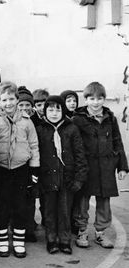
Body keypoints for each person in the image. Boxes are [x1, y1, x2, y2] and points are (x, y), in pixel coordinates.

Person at [72, 82, 128, 249]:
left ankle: (100, 233)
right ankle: (82, 231)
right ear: (86, 99)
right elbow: (73, 144)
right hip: (86, 167)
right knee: (82, 200)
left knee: (104, 201)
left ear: (104, 99)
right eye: (92, 98)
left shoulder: (111, 119)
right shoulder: (77, 119)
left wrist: (122, 167)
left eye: (99, 98)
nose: (96, 102)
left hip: (105, 167)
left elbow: (117, 142)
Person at [0, 81, 39, 258]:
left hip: (21, 169)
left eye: (11, 99)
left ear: (17, 99)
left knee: (20, 205)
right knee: (1, 205)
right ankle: (2, 240)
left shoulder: (26, 121)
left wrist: (34, 169)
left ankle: (18, 240)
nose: (8, 103)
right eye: (3, 100)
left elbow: (34, 145)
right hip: (0, 169)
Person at [36, 95, 87, 254]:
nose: (54, 113)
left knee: (65, 211)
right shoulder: (40, 129)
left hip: (67, 178)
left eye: (57, 109)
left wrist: (78, 179)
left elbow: (80, 155)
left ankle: (65, 240)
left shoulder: (71, 129)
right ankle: (51, 240)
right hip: (47, 178)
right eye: (50, 110)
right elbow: (35, 154)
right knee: (49, 211)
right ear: (45, 112)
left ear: (63, 110)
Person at [17, 86, 38, 242]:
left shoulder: (37, 121)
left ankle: (29, 227)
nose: (24, 108)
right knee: (19, 198)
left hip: (35, 164)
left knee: (30, 198)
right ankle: (17, 226)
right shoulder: (17, 121)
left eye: (27, 105)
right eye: (21, 105)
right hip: (20, 165)